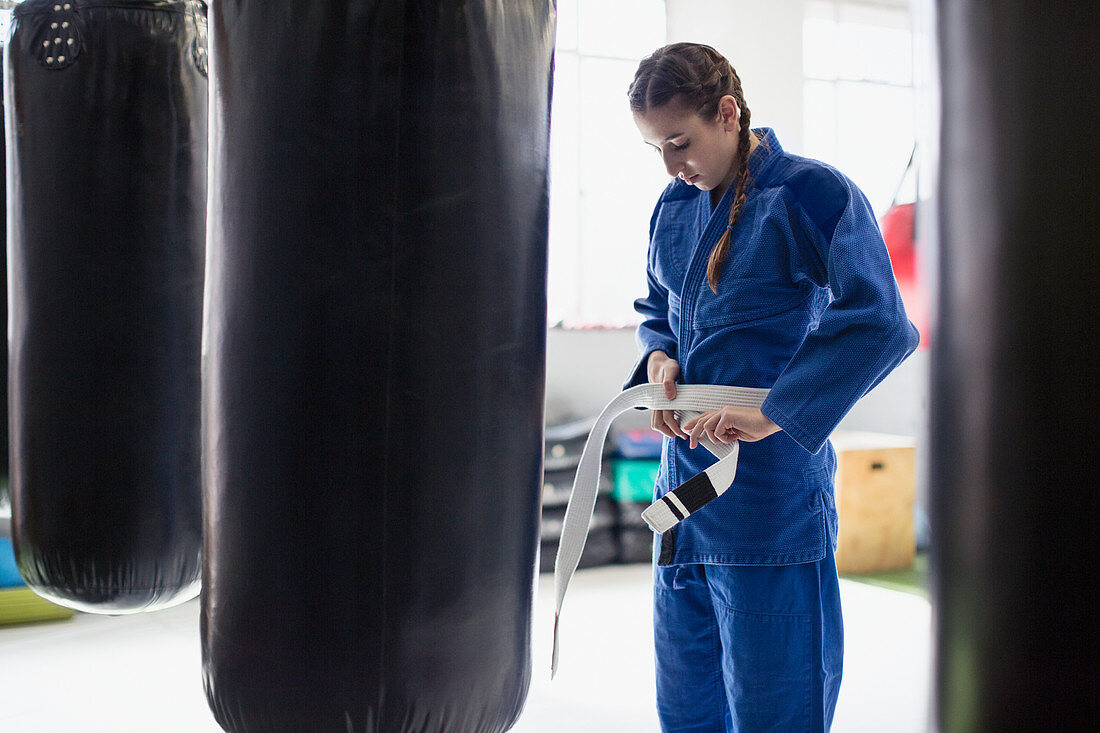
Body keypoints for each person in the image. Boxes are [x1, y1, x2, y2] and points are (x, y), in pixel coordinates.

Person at [624, 42, 919, 732]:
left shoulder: (812, 194)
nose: (671, 165)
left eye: (680, 142)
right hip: (682, 510)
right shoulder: (673, 208)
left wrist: (775, 413)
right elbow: (655, 313)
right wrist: (660, 361)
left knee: (776, 714)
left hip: (770, 508)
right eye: (655, 149)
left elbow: (881, 322)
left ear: (726, 113)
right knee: (686, 711)